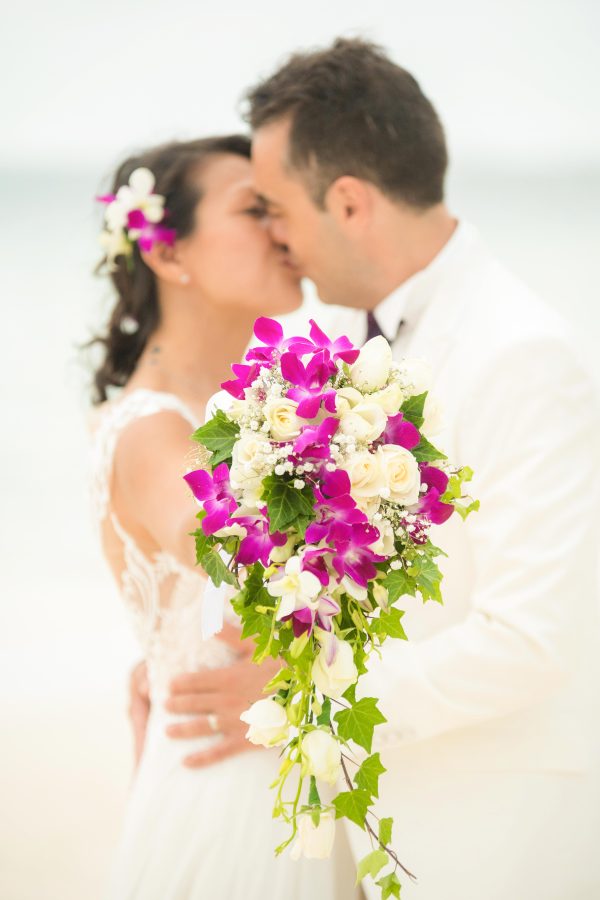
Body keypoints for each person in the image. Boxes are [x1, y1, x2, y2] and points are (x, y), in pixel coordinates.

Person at [159, 39, 600, 898]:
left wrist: (300, 698)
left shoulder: (521, 350)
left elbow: (530, 640)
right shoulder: (361, 342)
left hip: (488, 837)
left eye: (277, 209)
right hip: (377, 831)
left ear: (351, 203)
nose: (276, 239)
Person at [88, 135, 341, 899]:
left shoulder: (264, 408)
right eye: (253, 209)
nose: (282, 228)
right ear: (170, 255)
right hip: (227, 798)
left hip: (292, 785)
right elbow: (220, 540)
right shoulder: (152, 430)